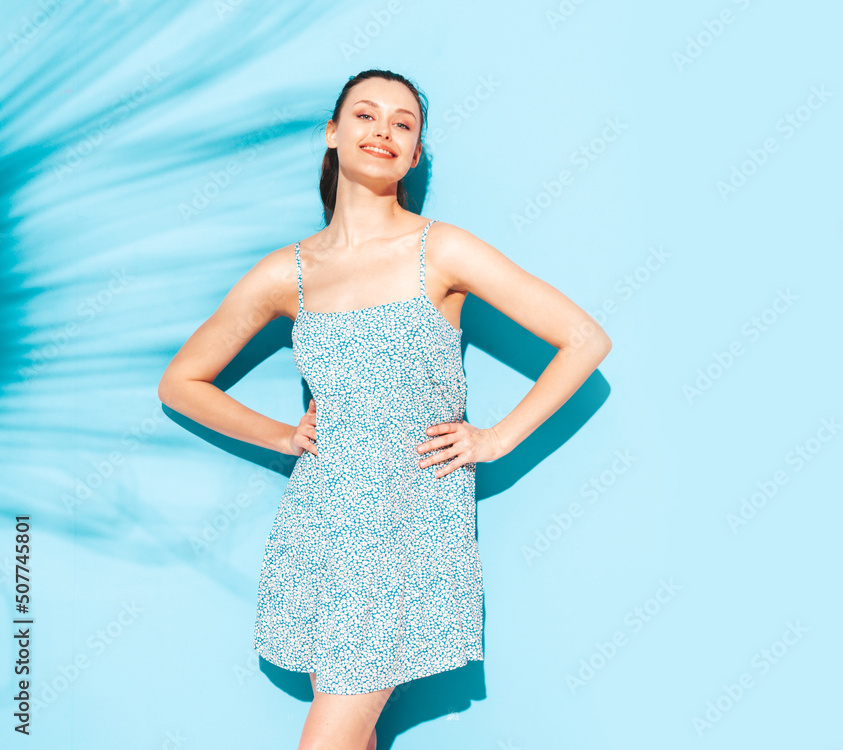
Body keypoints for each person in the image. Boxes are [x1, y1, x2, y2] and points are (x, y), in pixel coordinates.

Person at [157, 68, 612, 750]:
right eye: (366, 116)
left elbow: (585, 339)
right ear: (333, 134)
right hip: (321, 527)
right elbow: (181, 381)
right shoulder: (289, 273)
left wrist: (496, 439)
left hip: (409, 527)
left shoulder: (443, 249)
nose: (384, 132)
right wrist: (283, 436)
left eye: (404, 124)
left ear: (415, 153)